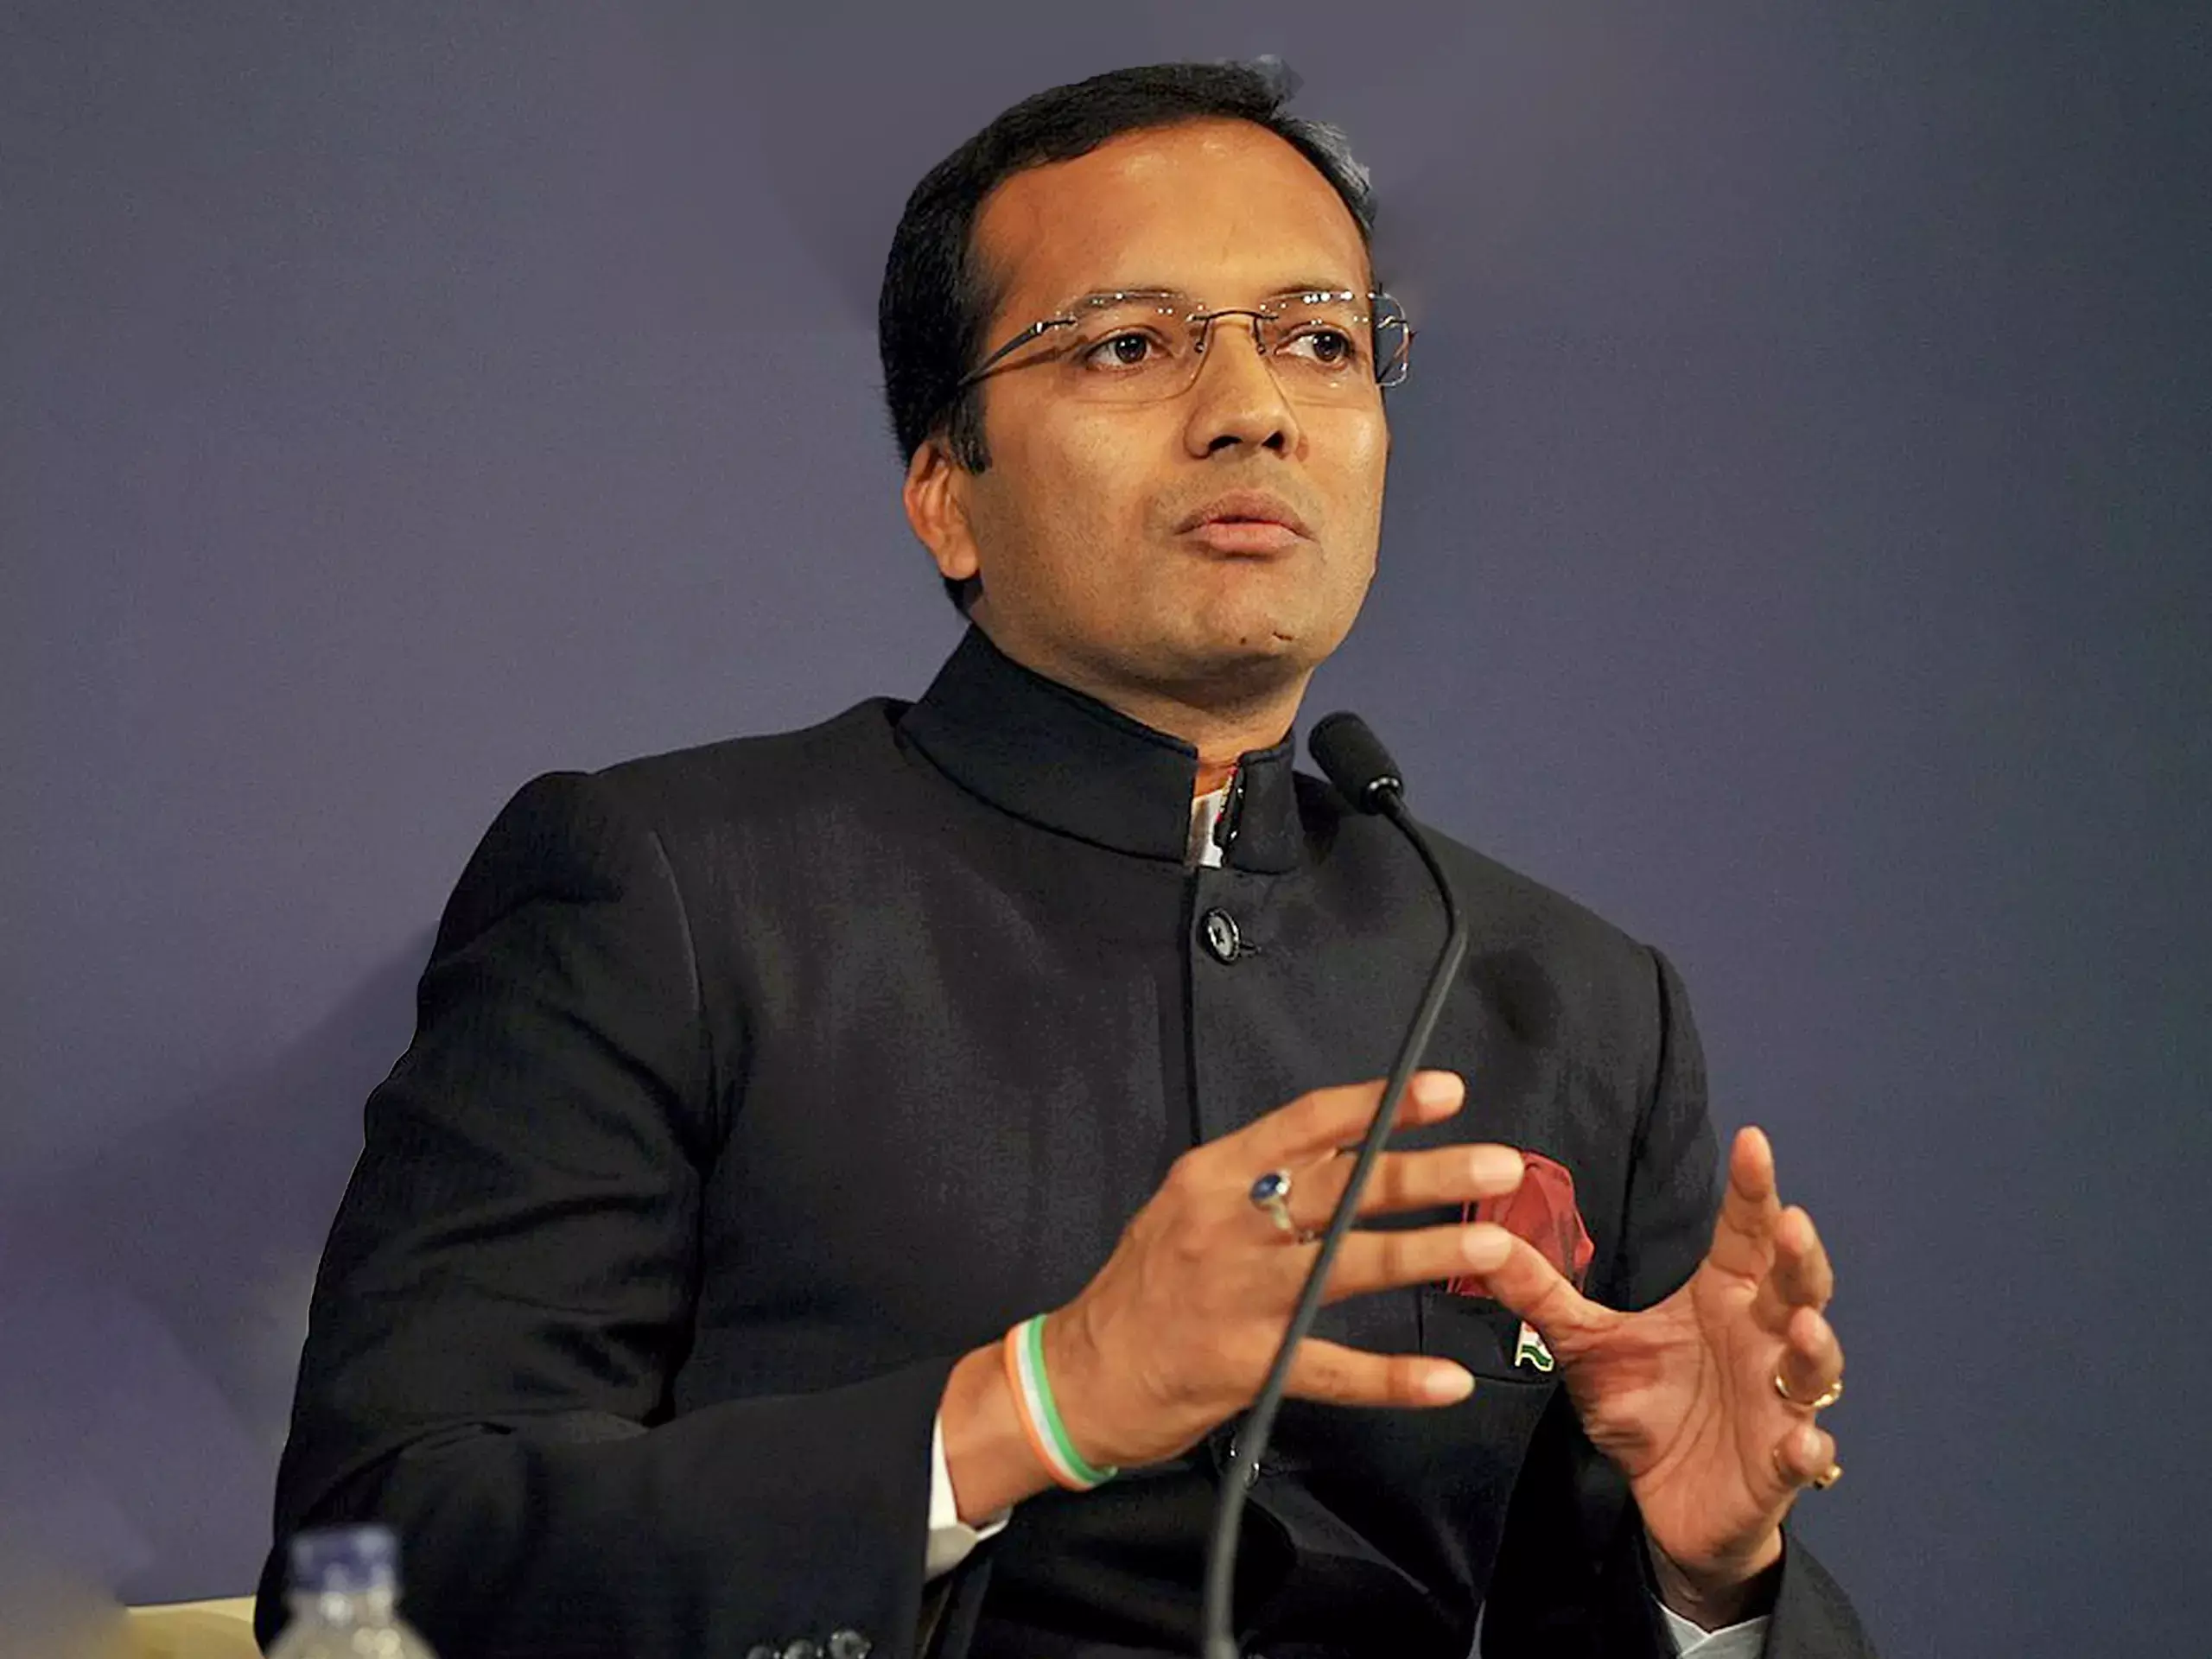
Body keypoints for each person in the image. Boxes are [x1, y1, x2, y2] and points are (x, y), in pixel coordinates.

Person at [259, 61, 1877, 1659]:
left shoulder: (1569, 999)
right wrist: (1035, 1403)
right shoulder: (671, 894)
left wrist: (1706, 1584)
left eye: (1320, 341)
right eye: (1130, 345)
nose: (1253, 410)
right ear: (945, 494)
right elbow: (376, 1568)